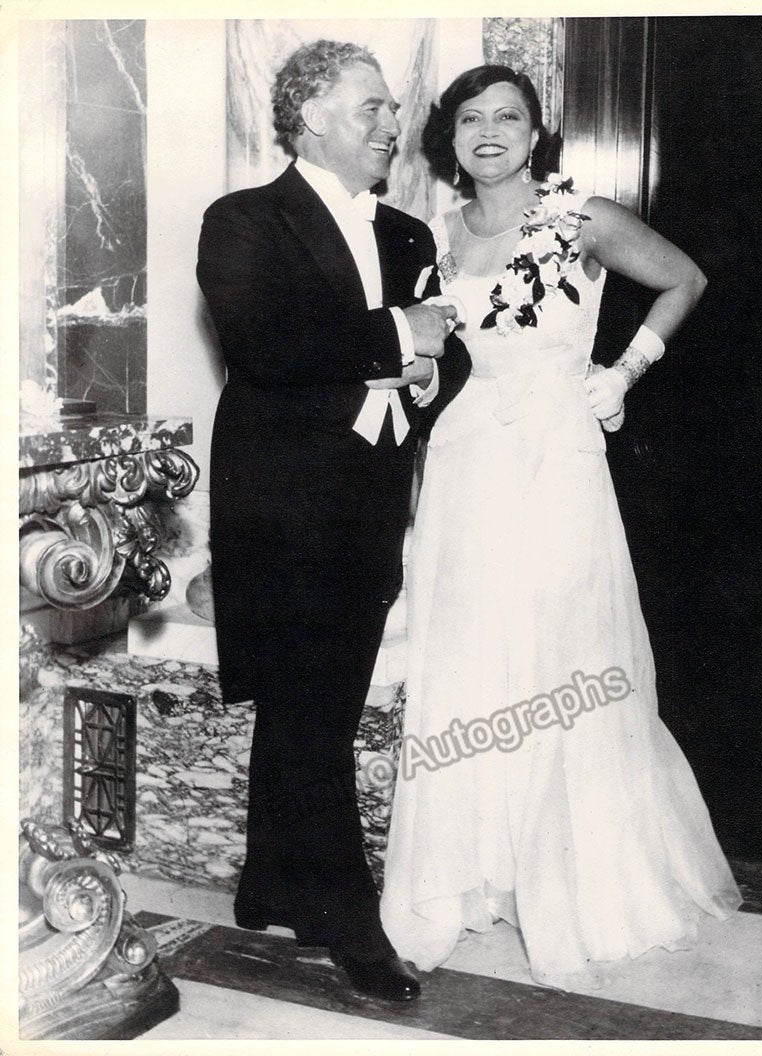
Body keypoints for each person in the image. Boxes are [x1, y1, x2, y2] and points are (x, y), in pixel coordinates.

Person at [380, 64, 742, 990]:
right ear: (450, 138)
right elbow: (433, 352)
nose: (489, 132)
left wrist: (625, 371)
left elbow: (686, 279)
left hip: (556, 458)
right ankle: (470, 881)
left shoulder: (582, 217)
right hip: (464, 464)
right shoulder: (433, 234)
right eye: (471, 118)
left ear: (537, 133)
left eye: (508, 117)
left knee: (563, 655)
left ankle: (574, 882)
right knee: (468, 656)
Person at [196, 39, 471, 1002]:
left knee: (315, 705)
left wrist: (429, 368)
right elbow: (264, 343)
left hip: (368, 502)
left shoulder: (406, 233)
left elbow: (448, 349)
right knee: (315, 715)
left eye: (391, 109)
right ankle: (352, 925)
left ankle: (272, 881)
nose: (394, 124)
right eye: (372, 108)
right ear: (311, 118)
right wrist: (401, 334)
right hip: (281, 507)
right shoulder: (244, 219)